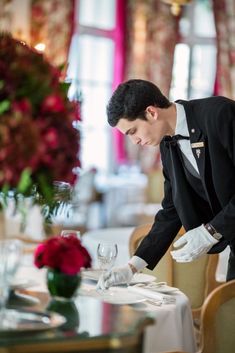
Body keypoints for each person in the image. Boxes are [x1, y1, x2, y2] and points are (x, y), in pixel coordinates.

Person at [97, 79, 235, 290]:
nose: (134, 141)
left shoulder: (220, 114)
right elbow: (171, 209)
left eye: (132, 131)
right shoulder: (167, 145)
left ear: (151, 112)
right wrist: (133, 267)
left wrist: (211, 231)